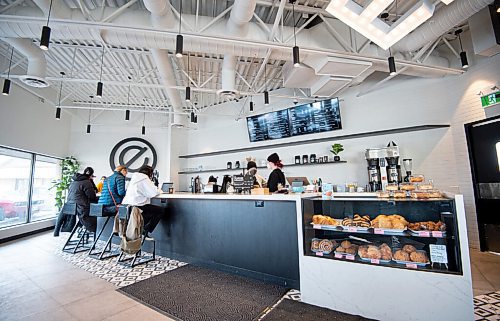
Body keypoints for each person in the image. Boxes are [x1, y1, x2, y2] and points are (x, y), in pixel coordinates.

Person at [122, 165, 164, 237]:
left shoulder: (135, 178)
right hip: (137, 207)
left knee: (151, 210)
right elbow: (153, 192)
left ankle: (143, 228)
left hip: (127, 207)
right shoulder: (144, 178)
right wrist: (160, 190)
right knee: (160, 210)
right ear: (150, 173)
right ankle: (145, 229)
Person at [66, 167, 99, 233]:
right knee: (96, 210)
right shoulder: (86, 182)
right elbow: (91, 196)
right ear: (91, 175)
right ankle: (92, 229)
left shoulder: (74, 181)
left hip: (71, 206)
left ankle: (83, 226)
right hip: (82, 207)